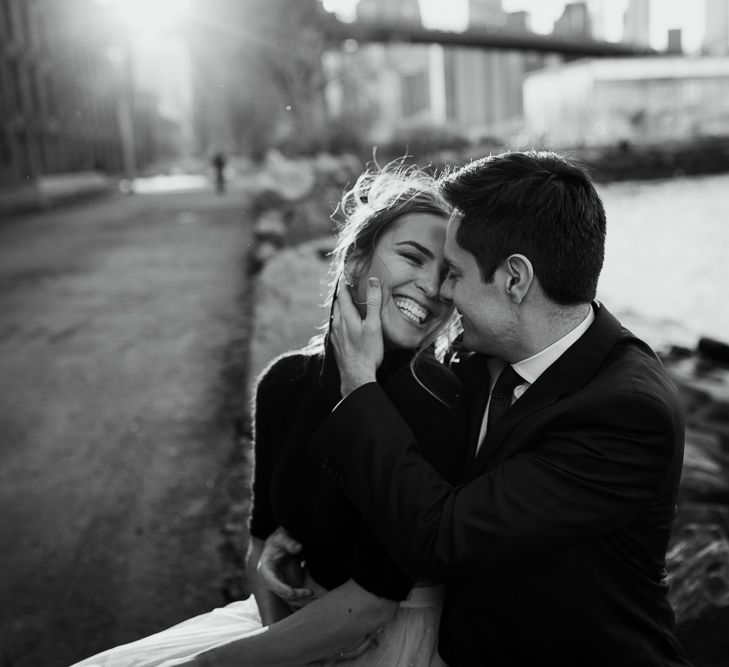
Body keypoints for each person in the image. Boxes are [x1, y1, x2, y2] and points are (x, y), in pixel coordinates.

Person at [299, 151, 692, 666]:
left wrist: (358, 383)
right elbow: (420, 462)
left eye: (455, 273)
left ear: (514, 279)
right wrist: (311, 519)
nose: (441, 291)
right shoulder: (486, 352)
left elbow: (441, 535)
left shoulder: (627, 413)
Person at [69, 165, 466, 667]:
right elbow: (260, 546)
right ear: (356, 260)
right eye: (412, 257)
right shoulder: (283, 383)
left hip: (390, 644)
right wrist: (280, 643)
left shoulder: (437, 401)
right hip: (286, 628)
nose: (432, 287)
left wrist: (218, 664)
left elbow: (371, 603)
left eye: (448, 273)